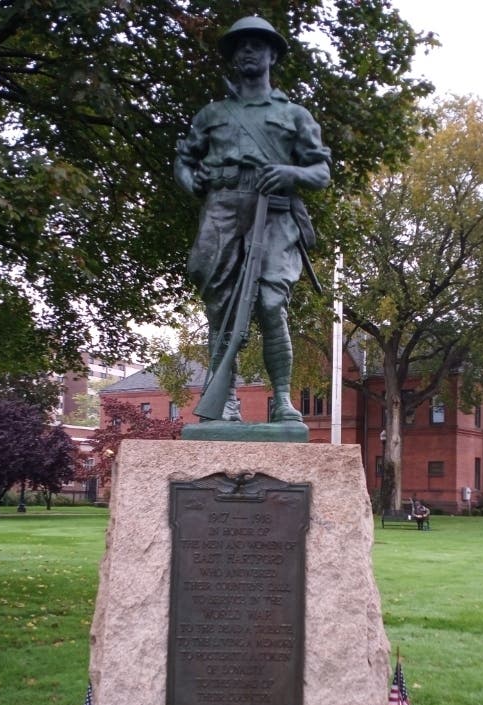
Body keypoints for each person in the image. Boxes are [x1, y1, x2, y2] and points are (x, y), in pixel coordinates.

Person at [175, 16, 331, 424]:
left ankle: (281, 399)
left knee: (270, 302)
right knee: (221, 307)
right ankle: (223, 398)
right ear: (232, 57)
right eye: (240, 45)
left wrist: (291, 173)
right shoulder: (211, 115)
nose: (248, 50)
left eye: (257, 45)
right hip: (222, 210)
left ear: (272, 54)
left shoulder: (294, 114)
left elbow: (320, 172)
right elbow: (184, 162)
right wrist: (193, 183)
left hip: (274, 214)